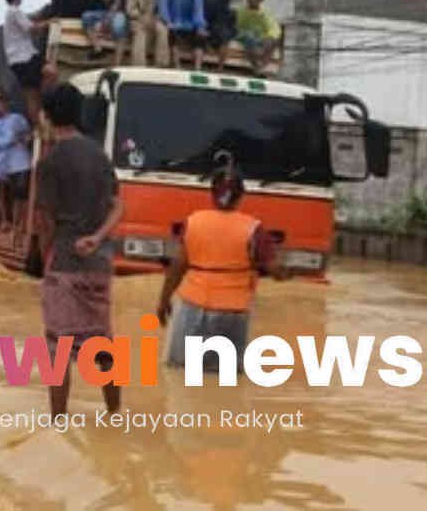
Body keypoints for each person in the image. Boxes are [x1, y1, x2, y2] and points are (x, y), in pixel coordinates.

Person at [33, 85, 124, 417]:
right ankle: (114, 414)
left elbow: (45, 221)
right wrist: (97, 238)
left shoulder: (50, 162)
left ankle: (58, 422)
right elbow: (118, 206)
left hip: (65, 261)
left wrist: (44, 258)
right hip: (99, 264)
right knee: (101, 340)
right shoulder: (100, 156)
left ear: (47, 117)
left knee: (58, 346)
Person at [156, 157, 289, 372]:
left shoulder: (194, 222)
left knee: (180, 373)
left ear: (212, 194)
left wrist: (163, 301)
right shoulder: (253, 229)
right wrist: (286, 272)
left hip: (192, 308)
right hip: (232, 313)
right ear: (241, 196)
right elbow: (274, 270)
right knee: (226, 378)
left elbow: (177, 267)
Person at [1, 0, 51, 122]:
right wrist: (49, 23)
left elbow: (28, 22)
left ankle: (39, 123)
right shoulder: (14, 11)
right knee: (44, 79)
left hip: (18, 59)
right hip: (24, 57)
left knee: (31, 93)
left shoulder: (11, 13)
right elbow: (32, 28)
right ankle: (43, 117)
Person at [0, 89, 33, 235]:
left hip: (20, 163)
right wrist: (12, 139)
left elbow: (28, 135)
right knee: (3, 196)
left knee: (20, 196)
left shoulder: (18, 119)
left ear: (6, 103)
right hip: (2, 165)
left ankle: (18, 224)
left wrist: (19, 139)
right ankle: (4, 222)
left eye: (0, 103)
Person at [158, 0, 207, 68]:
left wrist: (200, 25)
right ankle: (177, 66)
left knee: (200, 35)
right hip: (171, 20)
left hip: (188, 22)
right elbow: (163, 3)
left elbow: (198, 7)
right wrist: (168, 21)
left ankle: (198, 68)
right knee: (172, 33)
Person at [80, 0, 130, 65]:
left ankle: (117, 63)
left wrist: (108, 18)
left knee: (118, 25)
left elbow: (118, 2)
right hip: (105, 11)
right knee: (86, 16)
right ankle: (98, 49)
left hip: (119, 13)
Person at [127, 0, 171, 66]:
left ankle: (162, 64)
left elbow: (161, 7)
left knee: (162, 30)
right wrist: (142, 17)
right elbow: (130, 9)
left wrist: (154, 17)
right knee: (140, 31)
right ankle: (139, 65)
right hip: (137, 19)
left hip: (154, 18)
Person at [234, 0, 282, 75]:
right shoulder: (242, 10)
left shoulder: (265, 12)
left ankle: (263, 65)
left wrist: (270, 37)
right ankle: (256, 66)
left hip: (260, 38)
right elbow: (237, 26)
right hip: (245, 36)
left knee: (273, 40)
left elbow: (274, 28)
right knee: (249, 37)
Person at [198, 0, 237, 71]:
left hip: (217, 22)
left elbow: (224, 12)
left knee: (224, 34)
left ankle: (220, 67)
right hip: (200, 20)